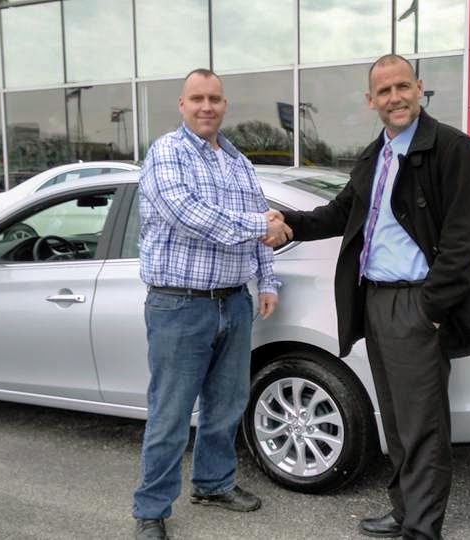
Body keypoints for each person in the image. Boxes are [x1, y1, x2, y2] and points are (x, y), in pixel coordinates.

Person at [266, 54, 470, 539]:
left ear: (419, 89)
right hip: (376, 301)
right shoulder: (375, 153)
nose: (394, 97)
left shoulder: (452, 149)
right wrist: (289, 224)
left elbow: (466, 239)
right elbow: (339, 214)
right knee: (396, 419)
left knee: (422, 424)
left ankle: (422, 528)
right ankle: (404, 511)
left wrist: (433, 309)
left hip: (417, 303)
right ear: (370, 100)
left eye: (402, 86)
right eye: (384, 91)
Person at [133, 68, 292, 540]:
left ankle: (213, 484)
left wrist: (267, 281)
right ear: (182, 105)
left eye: (215, 99)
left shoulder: (239, 161)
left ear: (225, 105)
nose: (207, 107)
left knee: (226, 404)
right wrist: (261, 225)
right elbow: (187, 216)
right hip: (179, 305)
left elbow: (261, 227)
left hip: (233, 302)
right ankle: (151, 509)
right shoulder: (167, 153)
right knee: (171, 413)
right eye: (197, 98)